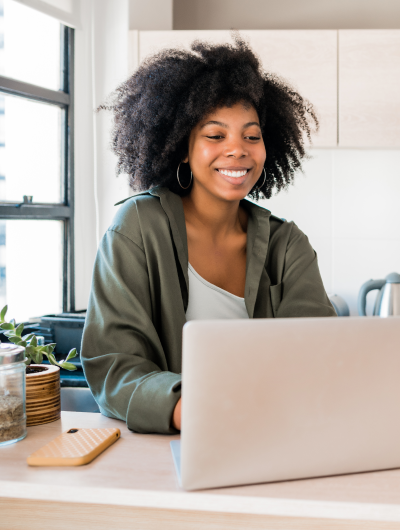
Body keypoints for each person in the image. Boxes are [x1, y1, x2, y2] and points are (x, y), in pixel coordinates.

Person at [80, 37, 336, 435]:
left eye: (251, 136)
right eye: (215, 136)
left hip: (273, 435)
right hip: (175, 445)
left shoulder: (288, 246)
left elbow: (319, 356)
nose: (237, 150)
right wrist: (191, 411)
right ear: (182, 148)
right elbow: (115, 365)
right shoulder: (137, 228)